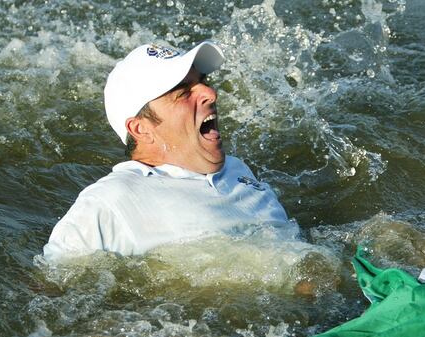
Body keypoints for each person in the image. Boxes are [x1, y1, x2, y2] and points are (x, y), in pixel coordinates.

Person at [43, 42, 290, 261]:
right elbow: (51, 290)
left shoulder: (236, 169)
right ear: (141, 129)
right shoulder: (110, 201)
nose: (211, 93)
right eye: (183, 92)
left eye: (202, 83)